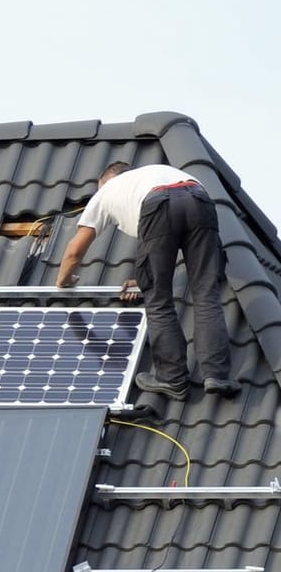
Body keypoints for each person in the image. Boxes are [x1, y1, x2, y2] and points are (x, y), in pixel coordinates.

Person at [57, 161, 237, 413]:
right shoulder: (154, 173)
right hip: (200, 198)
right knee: (206, 292)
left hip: (159, 205)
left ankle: (172, 379)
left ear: (106, 181)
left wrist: (63, 280)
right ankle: (216, 375)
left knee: (158, 299)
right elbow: (177, 228)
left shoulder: (106, 191)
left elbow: (75, 251)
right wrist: (143, 279)